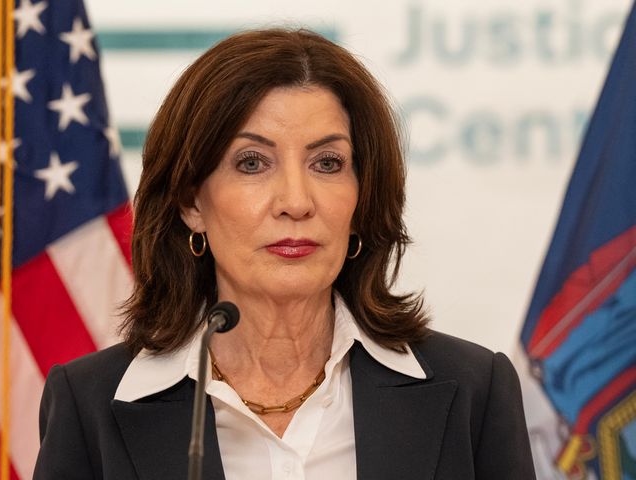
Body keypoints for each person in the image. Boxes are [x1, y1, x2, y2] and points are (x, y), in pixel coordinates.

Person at [34, 28, 536, 479]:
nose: (296, 202)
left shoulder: (474, 391)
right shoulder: (91, 406)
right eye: (252, 163)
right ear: (191, 203)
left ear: (361, 200)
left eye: (328, 163)